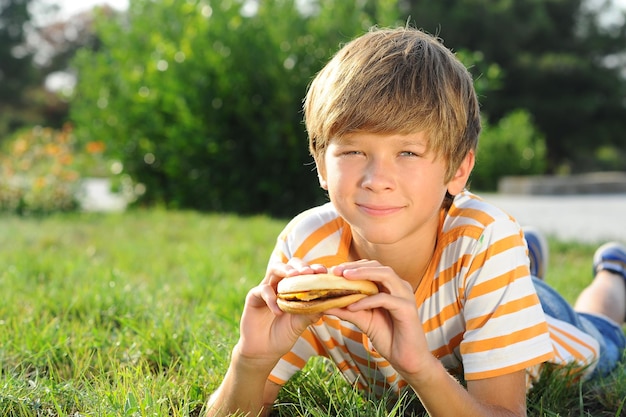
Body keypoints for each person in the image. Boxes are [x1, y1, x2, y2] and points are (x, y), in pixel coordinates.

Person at [205, 26, 626, 417]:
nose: (376, 181)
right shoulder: (306, 245)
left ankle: (612, 274)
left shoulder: (484, 241)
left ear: (458, 170)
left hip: (532, 314)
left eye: (407, 153)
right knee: (489, 280)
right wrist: (251, 360)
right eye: (352, 151)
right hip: (473, 284)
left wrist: (419, 367)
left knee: (602, 337)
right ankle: (525, 262)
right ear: (320, 163)